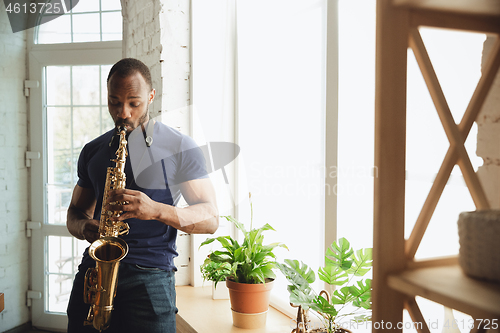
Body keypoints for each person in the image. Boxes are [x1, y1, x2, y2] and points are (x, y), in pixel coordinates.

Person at [66, 58, 219, 333]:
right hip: (95, 272)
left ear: (151, 97)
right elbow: (75, 213)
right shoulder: (93, 150)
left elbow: (210, 219)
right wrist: (84, 226)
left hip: (150, 278)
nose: (123, 113)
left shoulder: (181, 146)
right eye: (114, 102)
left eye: (133, 103)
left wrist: (156, 210)